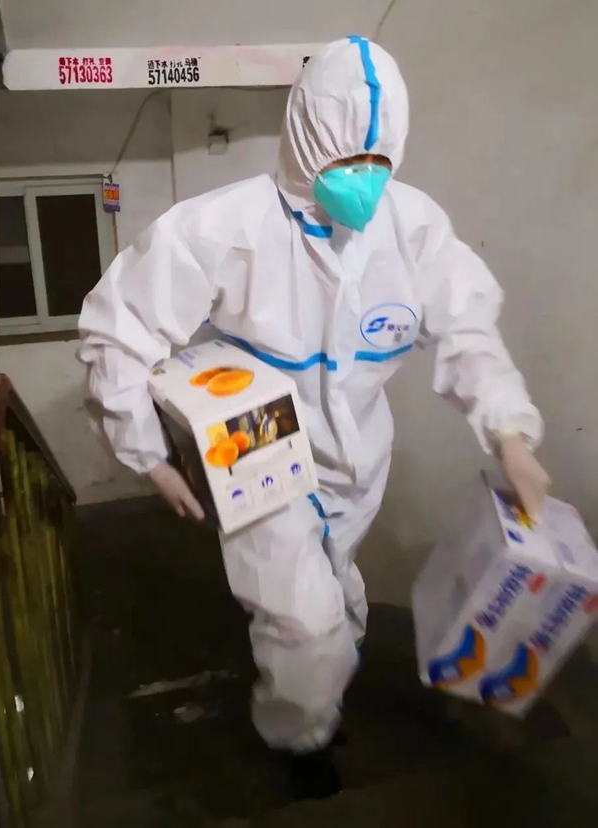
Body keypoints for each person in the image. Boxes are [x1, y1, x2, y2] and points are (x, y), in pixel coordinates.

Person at [78, 37, 550, 799]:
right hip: (258, 451)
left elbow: (470, 333)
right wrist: (147, 454)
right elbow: (119, 328)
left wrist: (510, 434)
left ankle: (320, 698)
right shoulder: (225, 227)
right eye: (345, 159)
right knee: (302, 618)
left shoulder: (414, 229)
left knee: (336, 590)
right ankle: (297, 740)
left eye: (378, 160)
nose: (363, 179)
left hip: (361, 456)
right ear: (304, 140)